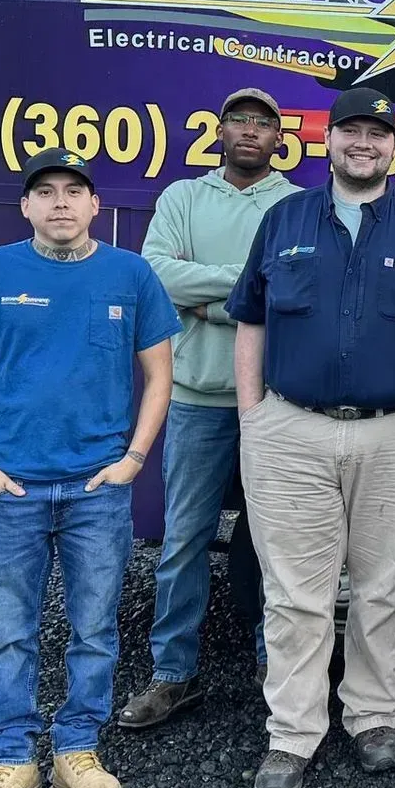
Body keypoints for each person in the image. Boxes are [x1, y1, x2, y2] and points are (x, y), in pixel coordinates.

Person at [228, 86, 395, 788]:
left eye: (379, 135)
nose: (365, 144)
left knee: (385, 584)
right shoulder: (285, 218)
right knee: (296, 593)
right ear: (325, 141)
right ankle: (292, 734)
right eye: (352, 131)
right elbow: (251, 320)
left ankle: (371, 717)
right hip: (291, 430)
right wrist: (254, 416)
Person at [0, 148, 178, 788]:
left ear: (94, 205)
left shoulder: (129, 275)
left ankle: (78, 750)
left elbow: (160, 374)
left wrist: (133, 459)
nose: (59, 204)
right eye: (44, 192)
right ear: (25, 207)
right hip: (12, 488)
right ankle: (11, 761)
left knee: (95, 630)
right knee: (11, 633)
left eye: (73, 191)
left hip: (96, 489)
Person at [117, 88, 299, 731]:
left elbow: (295, 294)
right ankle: (173, 674)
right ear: (218, 131)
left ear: (281, 137)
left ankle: (270, 664)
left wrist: (207, 289)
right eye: (239, 120)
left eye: (263, 122)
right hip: (196, 401)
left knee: (272, 545)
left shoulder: (298, 206)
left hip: (277, 404)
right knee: (184, 540)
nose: (250, 130)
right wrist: (250, 285)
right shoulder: (182, 198)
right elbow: (157, 277)